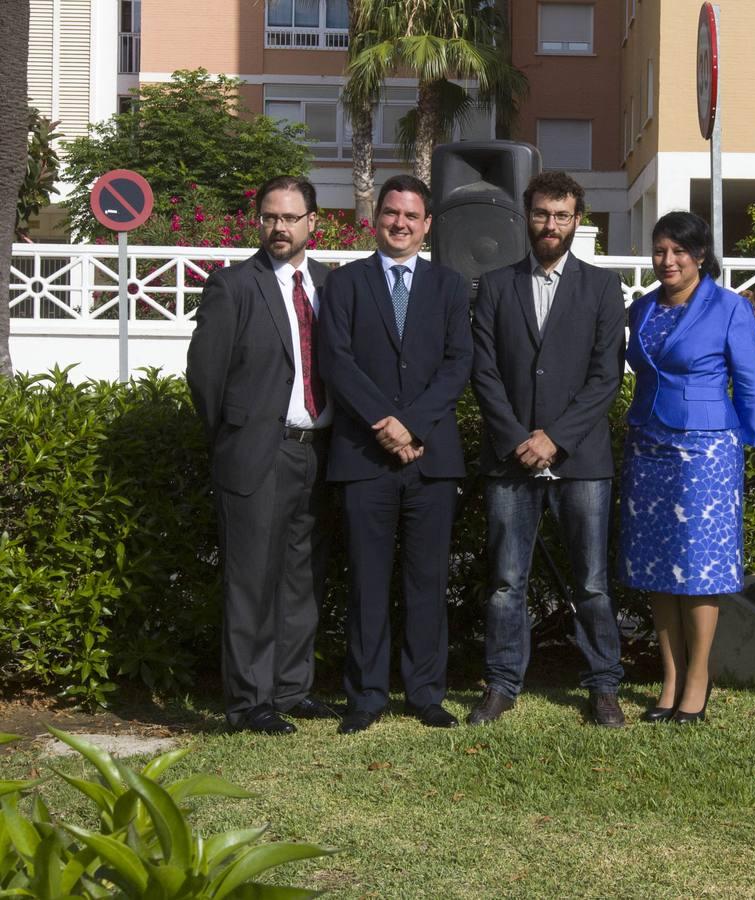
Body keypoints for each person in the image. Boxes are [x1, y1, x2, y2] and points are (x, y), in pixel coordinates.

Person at [468, 172, 628, 727]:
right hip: (510, 460)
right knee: (507, 581)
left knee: (591, 581)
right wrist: (519, 439)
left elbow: (606, 377)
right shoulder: (493, 286)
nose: (551, 225)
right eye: (541, 214)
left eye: (561, 215)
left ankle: (603, 685)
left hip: (580, 460)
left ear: (578, 219)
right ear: (526, 216)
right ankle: (503, 683)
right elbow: (484, 372)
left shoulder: (604, 289)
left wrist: (555, 438)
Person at [318, 174, 474, 735]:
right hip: (364, 457)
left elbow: (459, 365)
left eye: (411, 215)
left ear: (427, 225)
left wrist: (411, 424)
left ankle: (426, 693)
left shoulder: (451, 287)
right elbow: (336, 361)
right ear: (376, 218)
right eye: (391, 213)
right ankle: (366, 694)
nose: (400, 224)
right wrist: (387, 426)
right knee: (366, 579)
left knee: (428, 581)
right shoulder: (344, 284)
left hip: (432, 460)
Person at [186, 175, 339, 734]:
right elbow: (204, 376)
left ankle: (293, 689)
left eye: (291, 218)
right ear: (260, 221)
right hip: (257, 453)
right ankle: (250, 702)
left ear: (312, 224)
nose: (280, 227)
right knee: (251, 581)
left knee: (302, 577)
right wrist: (233, 437)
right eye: (271, 217)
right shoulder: (233, 286)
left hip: (317, 451)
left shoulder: (328, 284)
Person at [618, 211, 755, 724]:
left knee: (700, 568)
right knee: (657, 565)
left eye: (680, 251)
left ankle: (698, 680)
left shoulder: (730, 307)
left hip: (707, 449)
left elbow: (750, 380)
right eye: (660, 250)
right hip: (647, 444)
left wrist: (741, 440)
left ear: (700, 255)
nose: (668, 260)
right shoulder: (640, 310)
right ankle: (670, 678)